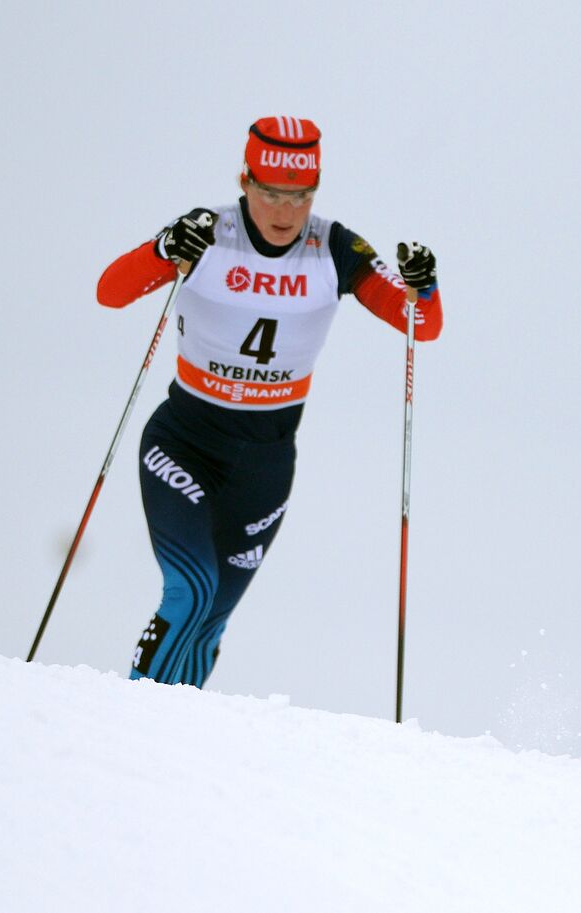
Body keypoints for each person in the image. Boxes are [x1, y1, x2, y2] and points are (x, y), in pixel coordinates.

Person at [95, 116, 444, 688]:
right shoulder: (207, 233)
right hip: (184, 442)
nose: (285, 213)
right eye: (271, 194)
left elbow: (420, 326)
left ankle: (166, 749)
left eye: (300, 197)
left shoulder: (336, 247)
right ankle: (130, 720)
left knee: (211, 621)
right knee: (191, 588)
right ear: (244, 181)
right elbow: (110, 293)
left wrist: (422, 285)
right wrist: (162, 251)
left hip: (265, 465)